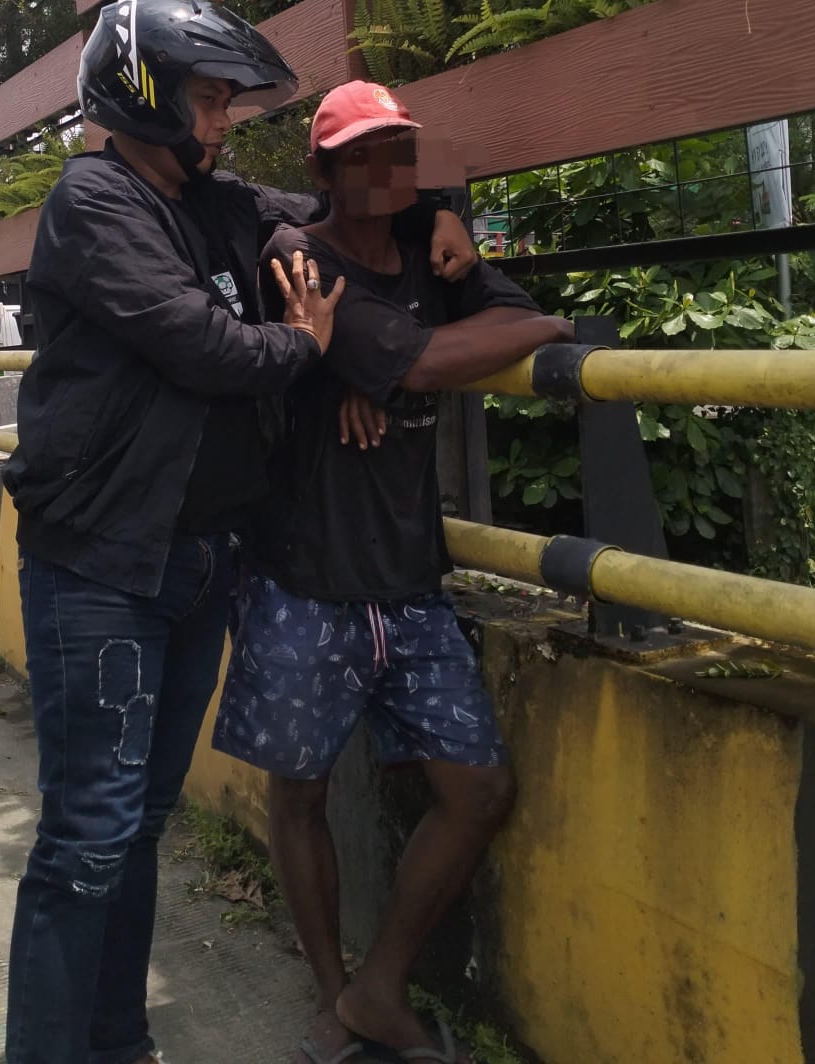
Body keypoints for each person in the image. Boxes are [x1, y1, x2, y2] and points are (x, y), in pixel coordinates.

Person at [2, 0, 477, 1064]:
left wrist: (439, 208)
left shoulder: (215, 201)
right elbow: (205, 347)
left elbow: (343, 199)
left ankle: (116, 1041)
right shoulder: (96, 202)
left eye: (226, 100)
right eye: (210, 99)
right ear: (145, 95)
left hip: (199, 559)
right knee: (88, 836)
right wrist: (307, 348)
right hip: (104, 565)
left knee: (137, 822)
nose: (223, 121)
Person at [213, 81, 575, 1064]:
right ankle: (333, 997)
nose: (386, 170)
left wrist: (463, 264)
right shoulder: (298, 256)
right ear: (323, 171)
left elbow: (493, 311)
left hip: (409, 580)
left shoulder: (430, 250)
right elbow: (418, 362)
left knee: (479, 789)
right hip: (302, 574)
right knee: (300, 794)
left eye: (399, 152)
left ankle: (378, 987)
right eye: (362, 155)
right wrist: (523, 334)